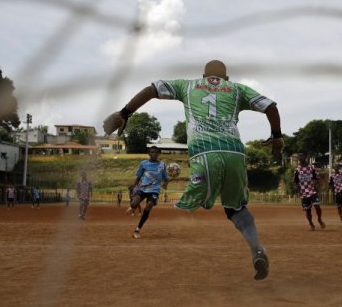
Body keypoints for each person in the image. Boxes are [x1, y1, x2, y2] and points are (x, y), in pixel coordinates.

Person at [103, 59, 283, 280]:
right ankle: (256, 249)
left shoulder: (187, 85)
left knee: (189, 203)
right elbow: (271, 107)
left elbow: (151, 90)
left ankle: (171, 206)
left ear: (203, 76)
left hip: (204, 153)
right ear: (225, 78)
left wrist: (125, 112)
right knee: (236, 209)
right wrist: (276, 137)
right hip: (235, 152)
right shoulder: (237, 89)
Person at [126, 146, 169, 238]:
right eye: (152, 152)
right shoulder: (143, 164)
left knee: (149, 205)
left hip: (154, 190)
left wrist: (165, 184)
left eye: (156, 152)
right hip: (142, 189)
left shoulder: (162, 165)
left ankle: (137, 230)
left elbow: (166, 178)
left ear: (159, 154)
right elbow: (138, 177)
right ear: (149, 154)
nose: (154, 154)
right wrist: (134, 187)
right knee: (134, 204)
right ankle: (132, 207)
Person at [293, 152, 325, 231]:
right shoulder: (297, 169)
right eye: (299, 157)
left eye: (302, 156)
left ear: (305, 157)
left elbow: (317, 178)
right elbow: (295, 181)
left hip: (312, 191)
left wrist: (317, 184)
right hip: (304, 193)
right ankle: (311, 224)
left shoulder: (312, 167)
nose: (300, 158)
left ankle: (319, 219)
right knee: (308, 210)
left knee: (317, 206)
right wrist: (297, 188)